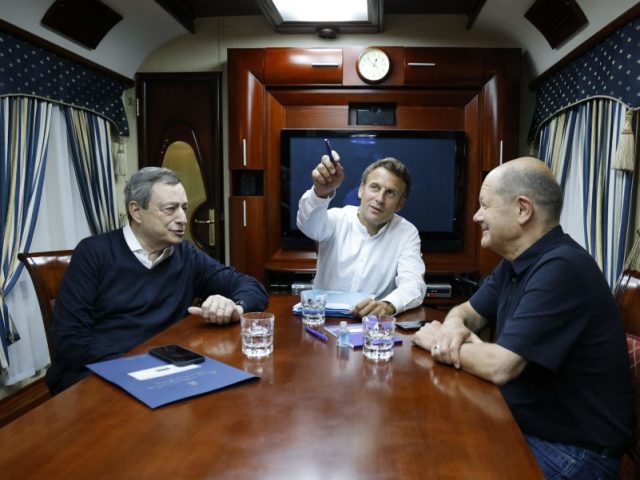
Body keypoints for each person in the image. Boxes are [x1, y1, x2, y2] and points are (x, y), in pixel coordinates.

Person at [413, 157, 633, 479]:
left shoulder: (562, 268)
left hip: (574, 453)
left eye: (485, 206)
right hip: (528, 426)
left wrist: (437, 341)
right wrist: (453, 330)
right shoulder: (516, 261)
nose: (476, 216)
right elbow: (465, 311)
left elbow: (499, 365)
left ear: (522, 210)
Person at [46, 167, 268, 394]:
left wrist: (235, 307)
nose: (182, 219)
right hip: (102, 373)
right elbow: (71, 339)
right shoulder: (93, 252)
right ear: (136, 211)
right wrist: (142, 368)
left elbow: (252, 288)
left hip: (167, 372)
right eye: (170, 209)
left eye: (184, 208)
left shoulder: (186, 254)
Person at [296, 152, 426, 317]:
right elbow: (308, 224)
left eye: (390, 193)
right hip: (322, 320)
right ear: (361, 190)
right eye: (374, 187)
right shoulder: (336, 218)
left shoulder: (406, 233)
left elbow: (413, 284)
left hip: (372, 324)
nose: (380, 198)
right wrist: (320, 192)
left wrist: (387, 305)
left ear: (400, 204)